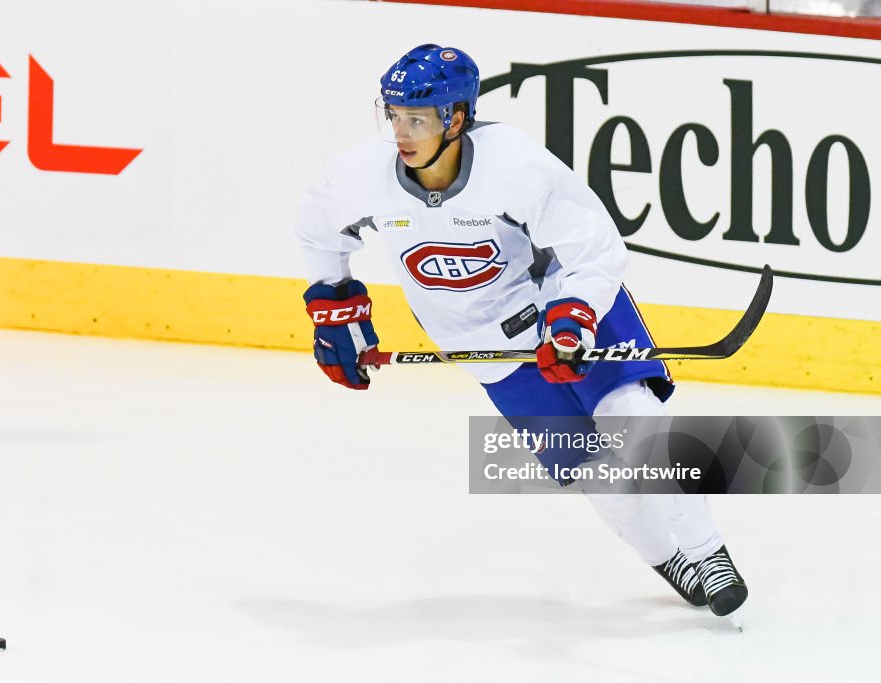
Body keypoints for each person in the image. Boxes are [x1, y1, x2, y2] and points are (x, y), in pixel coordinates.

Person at [295, 43, 747, 619]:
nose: (401, 133)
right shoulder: (360, 175)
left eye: (417, 119)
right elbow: (318, 234)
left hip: (566, 306)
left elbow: (594, 247)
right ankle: (671, 561)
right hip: (483, 344)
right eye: (394, 116)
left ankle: (708, 554)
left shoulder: (515, 165)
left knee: (635, 425)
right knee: (595, 471)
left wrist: (574, 317)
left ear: (456, 118)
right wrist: (337, 310)